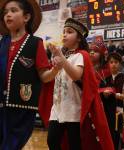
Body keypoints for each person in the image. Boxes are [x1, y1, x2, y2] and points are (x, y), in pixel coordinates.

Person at [47, 18, 114, 150]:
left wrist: (61, 58)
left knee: (75, 146)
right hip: (57, 109)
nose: (65, 34)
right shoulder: (64, 57)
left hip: (74, 110)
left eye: (69, 32)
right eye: (64, 31)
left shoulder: (81, 55)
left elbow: (76, 75)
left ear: (78, 38)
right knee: (52, 141)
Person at [0, 0, 59, 149]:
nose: (8, 14)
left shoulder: (35, 43)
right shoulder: (2, 43)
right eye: (5, 12)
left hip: (22, 108)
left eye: (13, 10)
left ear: (26, 17)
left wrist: (55, 70)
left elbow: (44, 76)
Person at [99, 52, 124, 150]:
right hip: (107, 111)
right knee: (108, 136)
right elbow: (100, 94)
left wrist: (114, 94)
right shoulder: (105, 79)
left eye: (116, 62)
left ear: (120, 63)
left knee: (117, 136)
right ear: (108, 64)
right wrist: (104, 94)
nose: (113, 64)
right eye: (111, 62)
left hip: (119, 112)